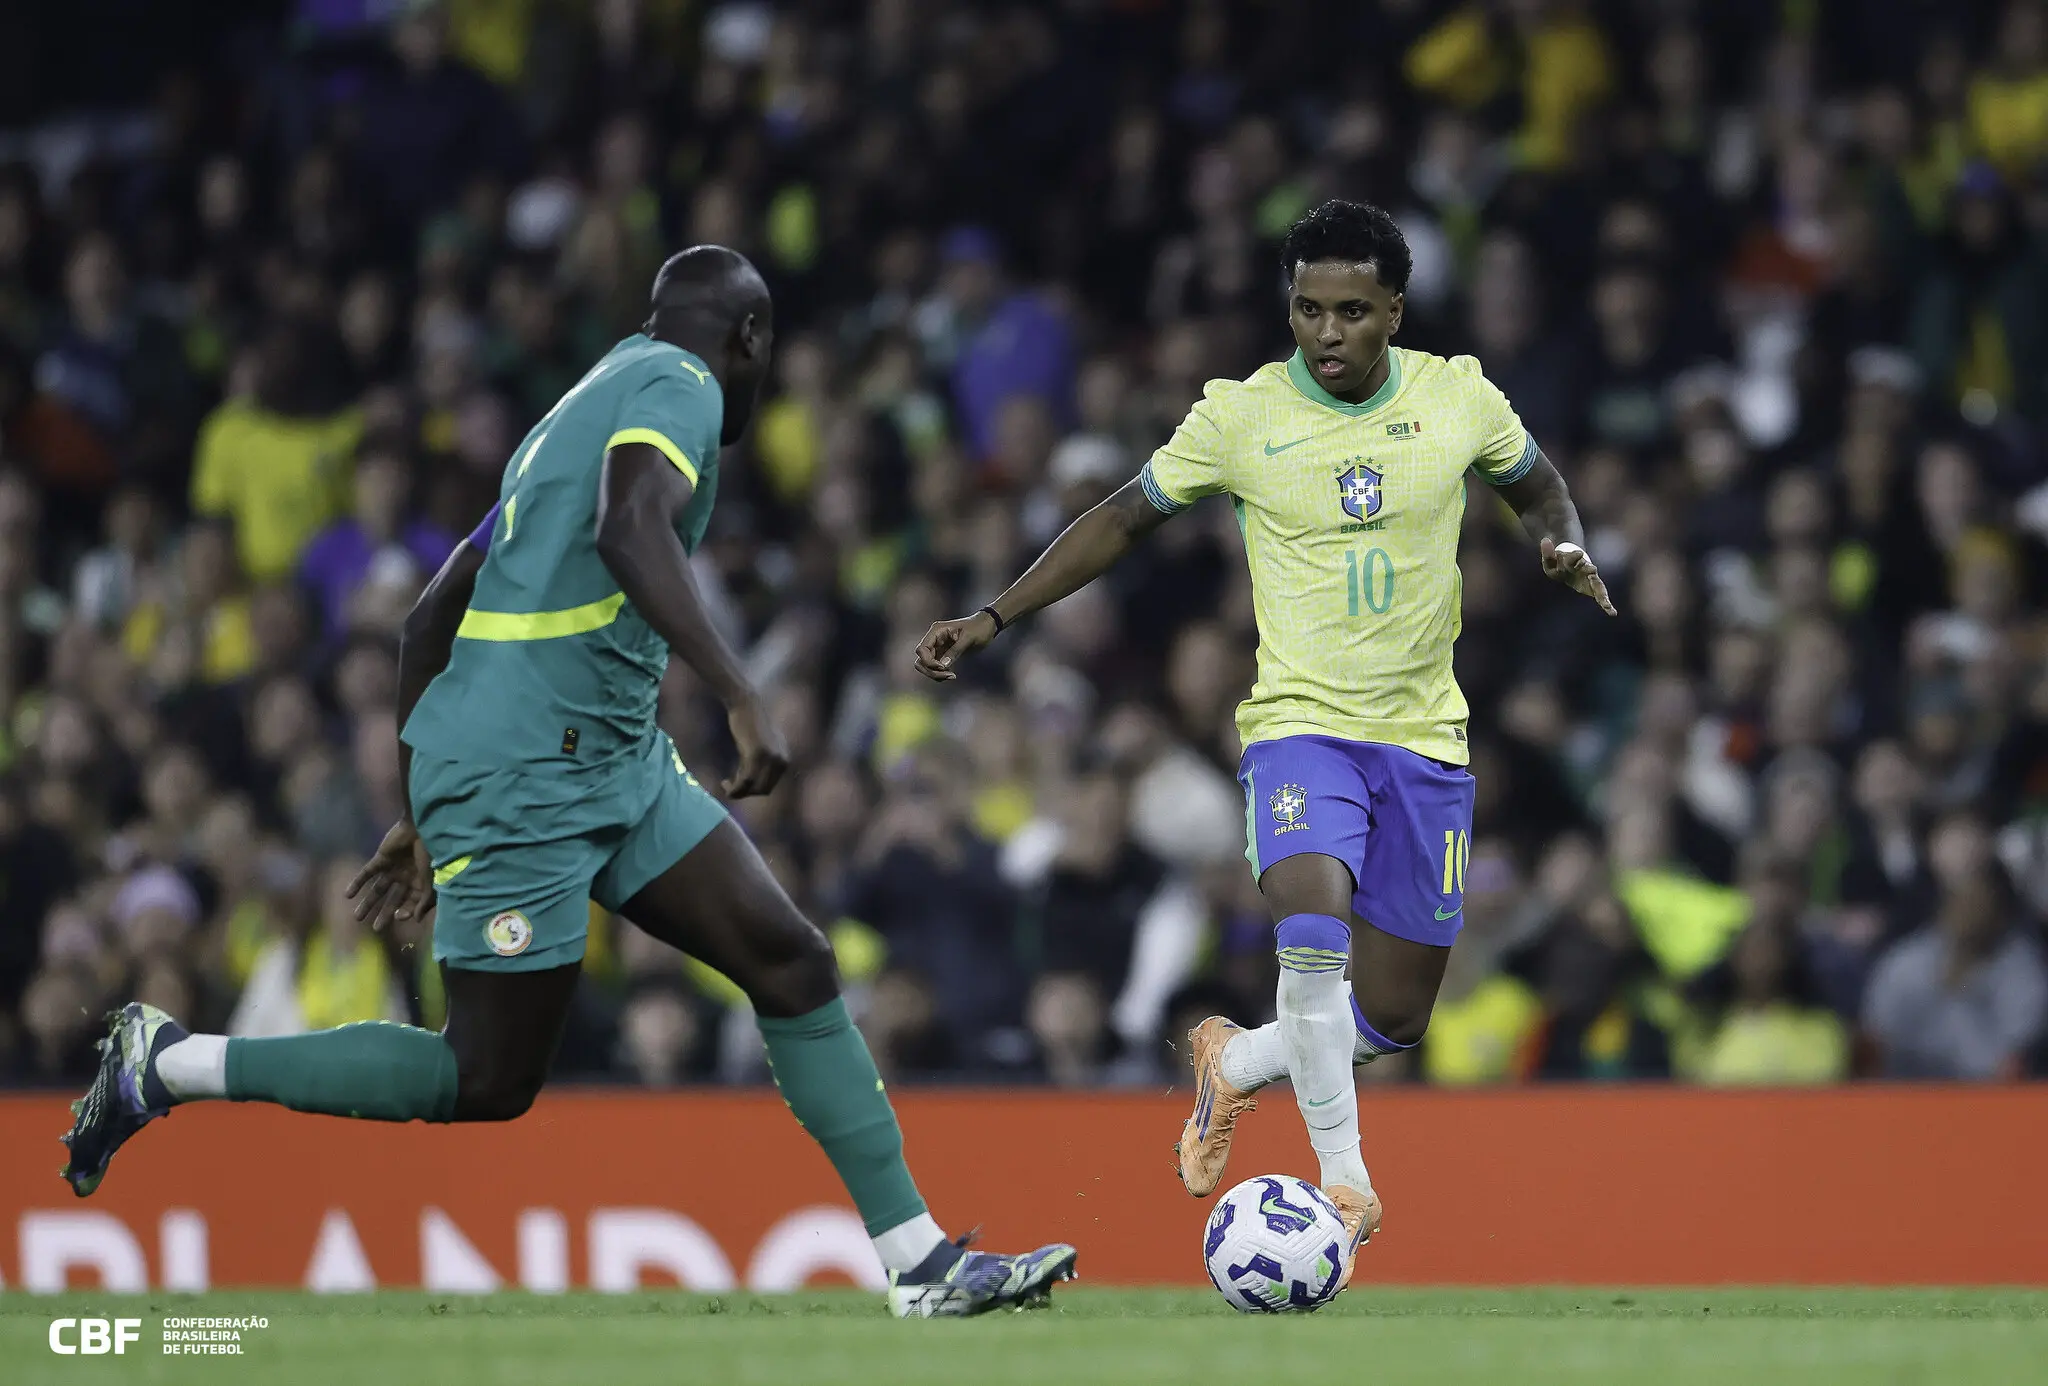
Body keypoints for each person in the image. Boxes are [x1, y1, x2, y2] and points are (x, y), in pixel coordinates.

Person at [61, 246, 1074, 1319]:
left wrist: (413, 808)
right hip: (524, 774)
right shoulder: (677, 387)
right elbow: (629, 525)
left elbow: (428, 616)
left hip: (610, 757)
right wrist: (739, 689)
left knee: (789, 960)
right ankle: (168, 1062)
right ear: (749, 343)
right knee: (486, 1080)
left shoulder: (581, 404)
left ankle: (917, 1264)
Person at [916, 200, 1615, 1289]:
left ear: (1393, 310)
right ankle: (1345, 1182)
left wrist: (1559, 540)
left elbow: (1535, 485)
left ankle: (1232, 1060)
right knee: (1309, 928)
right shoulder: (1238, 417)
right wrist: (995, 616)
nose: (1325, 332)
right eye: (1304, 308)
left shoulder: (1457, 396)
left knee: (1388, 1019)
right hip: (1298, 728)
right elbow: (1119, 516)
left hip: (1424, 743)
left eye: (1349, 311)